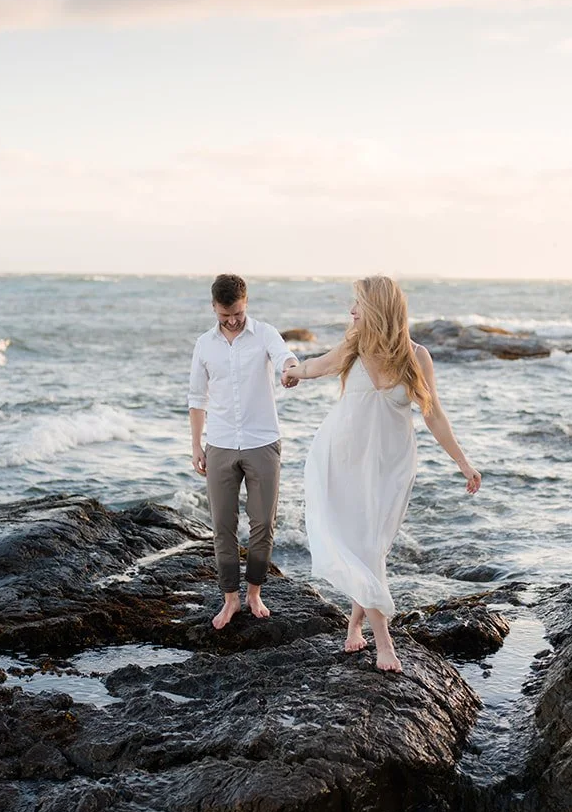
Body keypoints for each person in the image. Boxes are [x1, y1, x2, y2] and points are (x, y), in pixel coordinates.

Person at [283, 275, 481, 672]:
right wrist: (292, 371)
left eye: (357, 304)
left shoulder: (416, 357)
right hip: (342, 459)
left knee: (372, 546)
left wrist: (463, 461)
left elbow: (434, 414)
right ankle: (384, 643)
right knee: (364, 546)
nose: (351, 311)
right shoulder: (353, 347)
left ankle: (356, 622)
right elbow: (318, 366)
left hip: (390, 464)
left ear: (377, 309)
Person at [188, 273, 299, 629]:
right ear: (214, 309)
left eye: (236, 313)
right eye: (224, 316)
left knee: (263, 523)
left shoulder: (264, 333)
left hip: (262, 441)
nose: (232, 321)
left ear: (245, 303)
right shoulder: (204, 345)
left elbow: (285, 356)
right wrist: (196, 445)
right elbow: (196, 398)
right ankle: (230, 599)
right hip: (219, 444)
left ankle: (254, 593)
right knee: (222, 525)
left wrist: (291, 370)